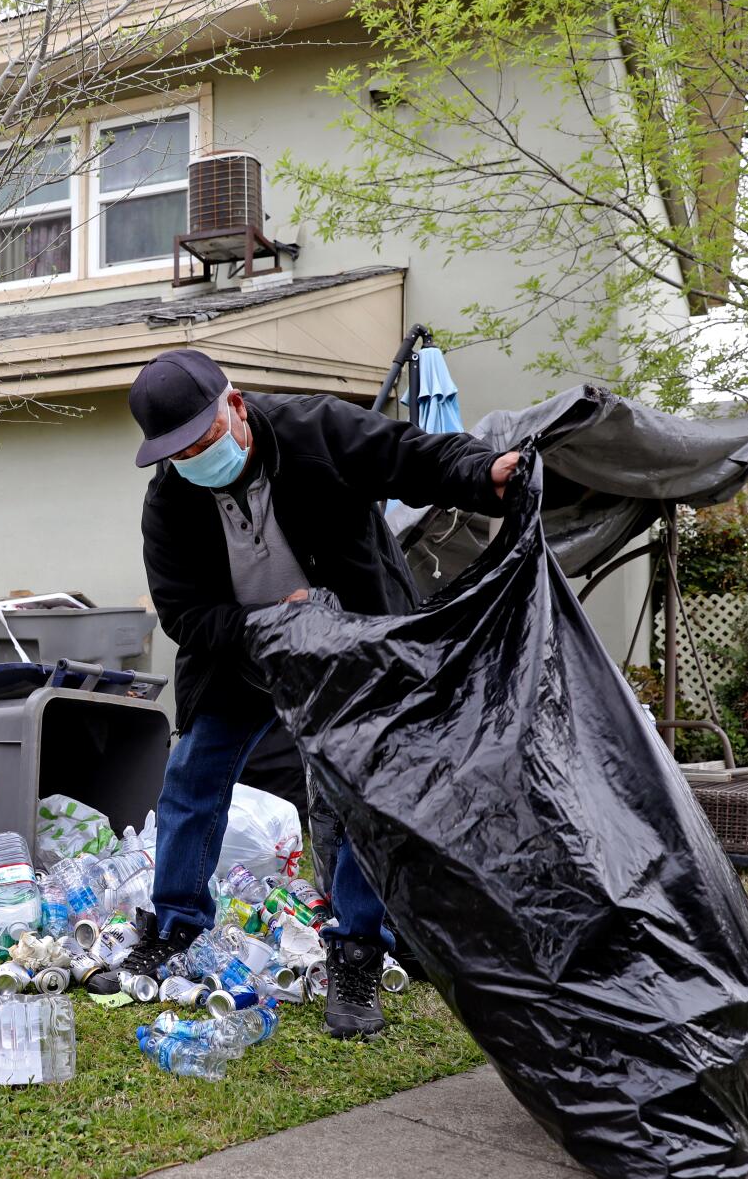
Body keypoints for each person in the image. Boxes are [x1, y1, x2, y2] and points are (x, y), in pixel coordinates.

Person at [117, 349, 517, 1038]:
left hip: (349, 645)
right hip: (243, 656)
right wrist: (272, 624)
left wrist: (482, 472)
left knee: (357, 792)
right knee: (190, 780)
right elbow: (184, 613)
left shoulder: (315, 431)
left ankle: (358, 954)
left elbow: (410, 456)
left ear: (235, 407)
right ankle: (177, 926)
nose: (194, 459)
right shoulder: (170, 502)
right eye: (179, 452)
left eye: (204, 440)